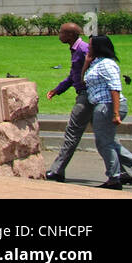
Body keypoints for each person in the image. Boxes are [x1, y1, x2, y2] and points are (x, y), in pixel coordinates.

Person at [83, 35, 132, 188]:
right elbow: (83, 82)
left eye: (90, 45)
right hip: (102, 106)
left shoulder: (107, 64)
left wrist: (115, 113)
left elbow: (115, 88)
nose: (88, 47)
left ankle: (114, 179)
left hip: (108, 106)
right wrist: (86, 64)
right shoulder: (96, 63)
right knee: (110, 142)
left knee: (104, 143)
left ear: (98, 47)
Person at [45, 22, 91, 183]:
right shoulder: (76, 49)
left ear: (70, 35)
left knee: (72, 133)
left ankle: (57, 170)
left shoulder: (83, 49)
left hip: (87, 96)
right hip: (85, 94)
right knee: (104, 137)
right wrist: (58, 90)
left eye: (61, 32)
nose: (59, 35)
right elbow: (74, 76)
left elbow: (90, 72)